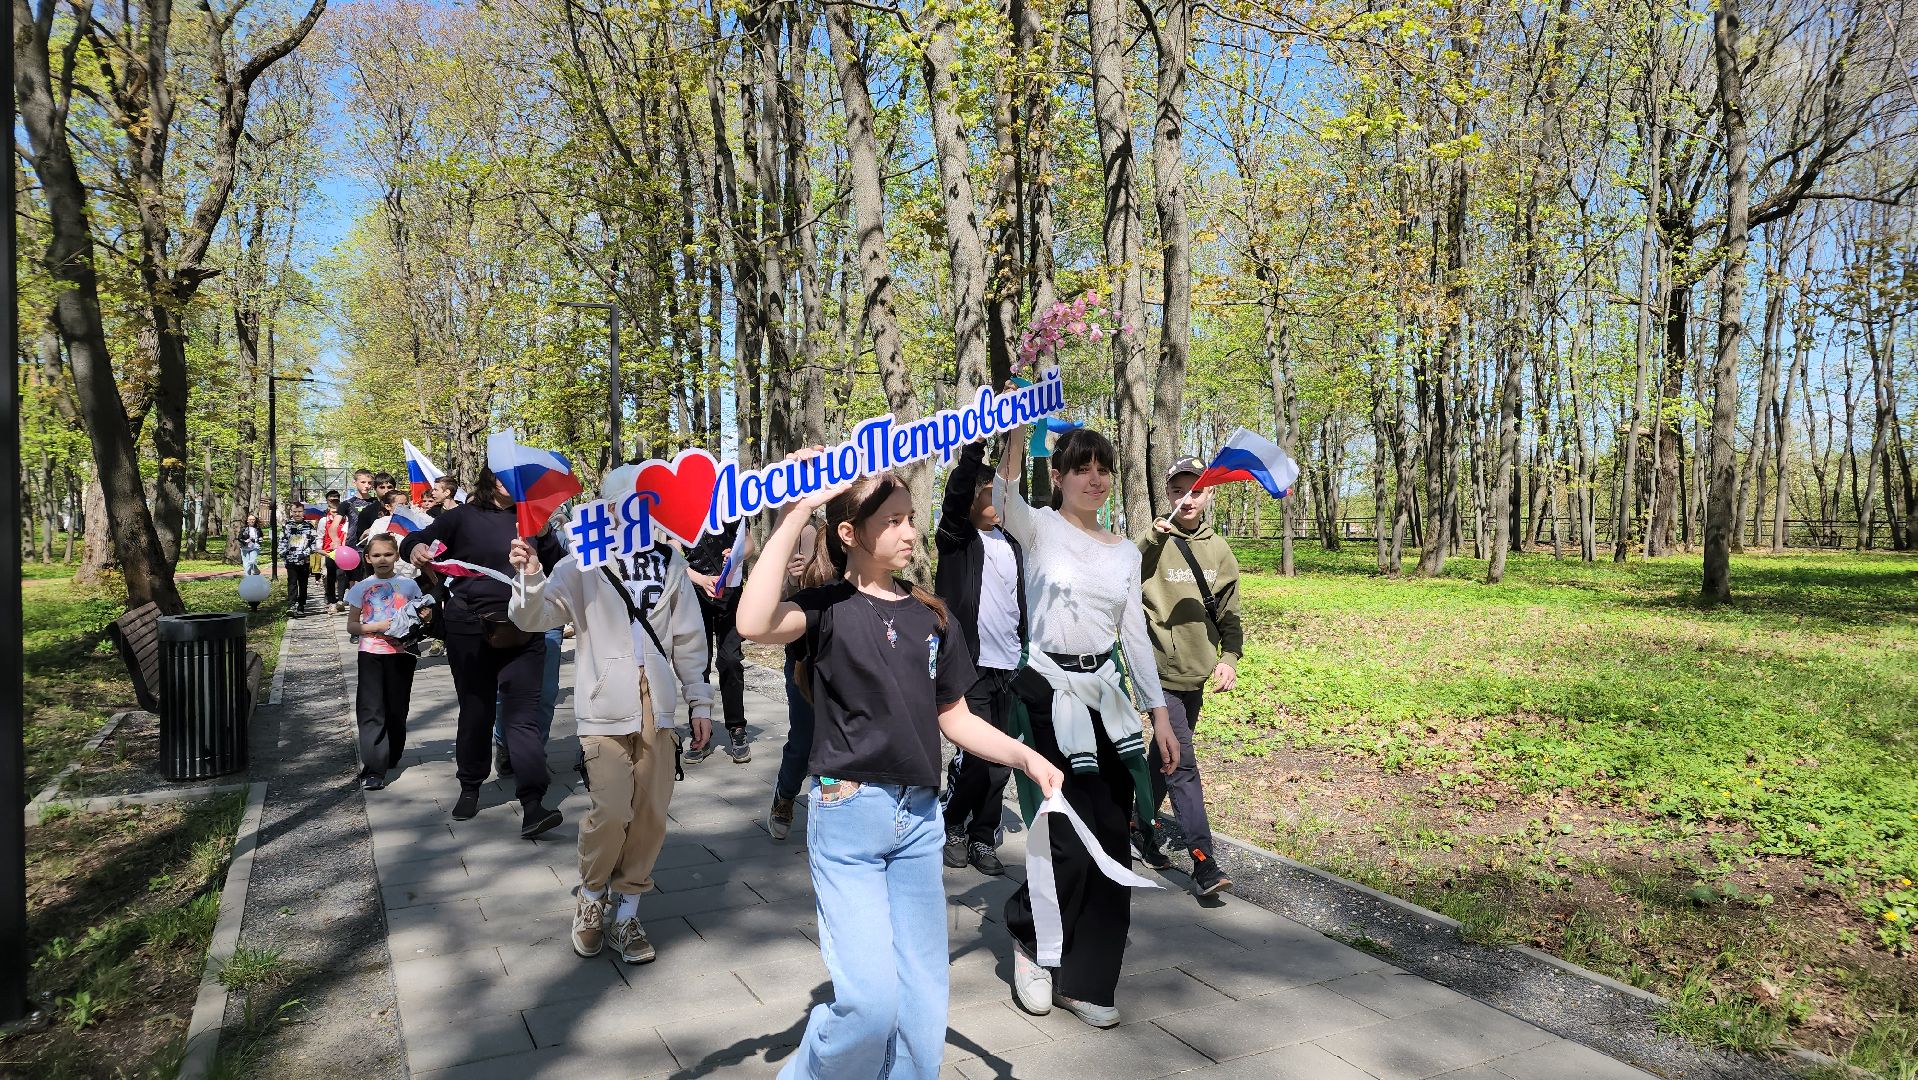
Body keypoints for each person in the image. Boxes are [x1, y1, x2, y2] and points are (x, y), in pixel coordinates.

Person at [735, 457, 1063, 1080]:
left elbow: (955, 715)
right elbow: (752, 622)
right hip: (848, 818)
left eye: (912, 519)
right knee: (868, 1004)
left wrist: (1025, 755)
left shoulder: (932, 617)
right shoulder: (826, 608)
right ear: (850, 534)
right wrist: (798, 510)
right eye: (893, 522)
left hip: (919, 825)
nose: (910, 533)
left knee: (920, 1005)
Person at [990, 424, 1177, 1028]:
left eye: (1103, 469)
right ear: (1060, 476)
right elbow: (1002, 494)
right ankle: (1030, 942)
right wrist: (1014, 430)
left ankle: (1089, 979)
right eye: (1081, 468)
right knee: (1066, 832)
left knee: (1110, 834)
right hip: (1047, 690)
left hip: (1106, 698)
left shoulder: (1124, 551)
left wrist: (1160, 715)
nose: (1094, 479)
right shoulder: (1039, 528)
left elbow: (1134, 637)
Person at [507, 525, 714, 965]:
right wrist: (529, 576)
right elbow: (533, 618)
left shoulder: (670, 561)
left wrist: (700, 700)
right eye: (621, 509)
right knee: (612, 811)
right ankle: (592, 894)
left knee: (651, 814)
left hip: (656, 705)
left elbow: (688, 638)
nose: (633, 519)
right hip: (602, 706)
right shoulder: (580, 562)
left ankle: (628, 913)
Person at [399, 469, 567, 837]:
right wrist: (414, 548)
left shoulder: (534, 521)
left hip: (524, 628)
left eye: (519, 478)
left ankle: (534, 803)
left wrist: (543, 536)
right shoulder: (462, 516)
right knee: (476, 708)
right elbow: (416, 537)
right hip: (468, 628)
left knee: (522, 716)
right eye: (505, 476)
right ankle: (471, 785)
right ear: (490, 480)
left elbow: (559, 566)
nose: (512, 482)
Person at [1135, 456, 1242, 898]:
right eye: (1179, 490)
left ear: (1210, 493)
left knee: (1162, 758)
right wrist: (1147, 538)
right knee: (1181, 763)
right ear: (1168, 495)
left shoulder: (1219, 550)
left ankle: (1137, 825)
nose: (1187, 498)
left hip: (1196, 675)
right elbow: (1118, 571)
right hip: (1158, 673)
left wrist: (1230, 658)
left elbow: (1230, 612)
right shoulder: (1155, 541)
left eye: (1196, 490)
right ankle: (1203, 861)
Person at [934, 440, 1028, 876]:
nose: (1000, 499)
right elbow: (953, 500)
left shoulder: (1012, 542)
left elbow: (1017, 603)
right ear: (973, 497)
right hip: (969, 664)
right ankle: (952, 823)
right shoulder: (957, 538)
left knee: (1002, 760)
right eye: (991, 490)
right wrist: (975, 446)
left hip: (1008, 665)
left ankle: (982, 835)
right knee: (973, 756)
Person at [768, 515, 835, 841]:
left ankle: (832, 812)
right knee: (804, 741)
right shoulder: (789, 533)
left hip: (840, 660)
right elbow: (771, 608)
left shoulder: (837, 531)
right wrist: (792, 581)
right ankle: (785, 794)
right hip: (803, 660)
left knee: (836, 743)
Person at [345, 533, 428, 790]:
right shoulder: (360, 588)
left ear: (397, 556)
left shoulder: (410, 586)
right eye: (377, 555)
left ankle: (391, 754)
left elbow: (420, 617)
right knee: (371, 709)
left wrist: (425, 616)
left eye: (388, 554)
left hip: (402, 655)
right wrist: (376, 626)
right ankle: (373, 767)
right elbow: (352, 625)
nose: (383, 560)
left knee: (396, 707)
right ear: (368, 558)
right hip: (370, 653)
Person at [682, 521, 752, 764]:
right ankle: (700, 733)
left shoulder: (731, 503)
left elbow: (749, 542)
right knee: (698, 663)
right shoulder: (683, 508)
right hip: (695, 594)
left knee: (730, 660)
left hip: (730, 593)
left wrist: (737, 554)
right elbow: (672, 554)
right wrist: (700, 579)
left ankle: (737, 728)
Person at [279, 503, 317, 615]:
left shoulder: (309, 527)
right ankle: (291, 605)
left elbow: (313, 544)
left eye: (299, 511)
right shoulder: (286, 526)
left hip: (304, 560)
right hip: (290, 560)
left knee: (303, 583)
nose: (297, 514)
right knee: (292, 582)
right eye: (294, 511)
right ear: (291, 512)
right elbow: (282, 541)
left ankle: (301, 605)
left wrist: (304, 553)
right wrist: (283, 553)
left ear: (303, 512)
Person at [320, 503, 350, 613]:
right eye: (333, 511)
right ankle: (331, 600)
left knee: (341, 575)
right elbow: (320, 536)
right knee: (329, 576)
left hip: (343, 552)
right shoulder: (324, 521)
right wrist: (320, 550)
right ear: (329, 510)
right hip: (328, 552)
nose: (336, 514)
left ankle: (340, 600)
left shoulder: (347, 520)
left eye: (338, 512)